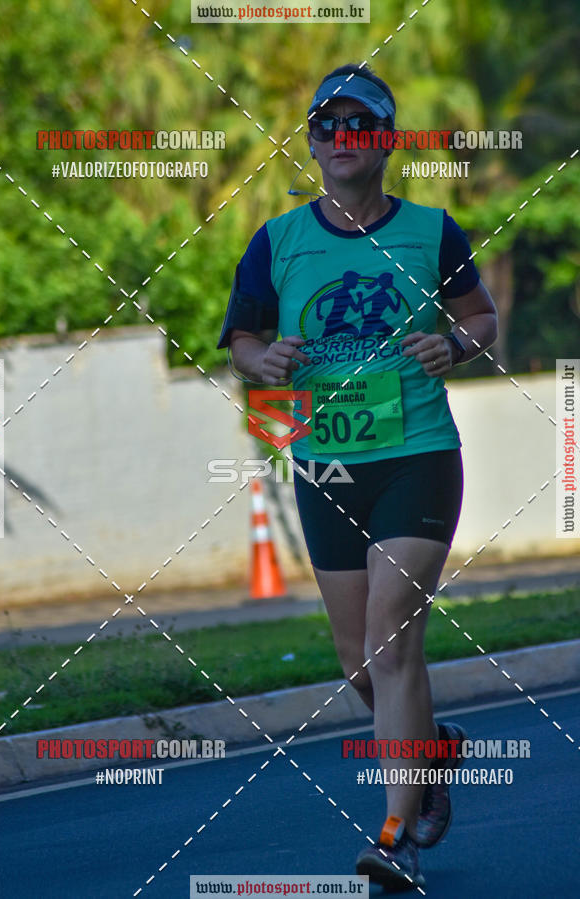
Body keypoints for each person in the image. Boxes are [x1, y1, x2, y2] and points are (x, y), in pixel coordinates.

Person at [217, 63, 498, 891]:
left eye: (358, 125)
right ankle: (430, 752)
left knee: (390, 638)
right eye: (325, 127)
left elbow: (480, 315)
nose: (341, 138)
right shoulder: (276, 241)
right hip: (327, 463)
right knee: (357, 661)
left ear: (386, 141)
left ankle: (395, 833)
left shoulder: (432, 232)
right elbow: (242, 341)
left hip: (416, 456)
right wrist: (262, 362)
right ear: (311, 145)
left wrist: (457, 344)